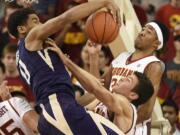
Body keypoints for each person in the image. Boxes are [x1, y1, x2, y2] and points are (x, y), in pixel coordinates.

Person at [7, 1, 123, 134]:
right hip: (60, 110)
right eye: (36, 21)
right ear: (22, 29)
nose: (42, 25)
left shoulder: (28, 56)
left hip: (52, 116)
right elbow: (65, 18)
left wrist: (93, 56)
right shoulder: (31, 39)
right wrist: (104, 2)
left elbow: (91, 91)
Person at [46, 40, 154, 134]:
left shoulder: (126, 105)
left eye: (128, 80)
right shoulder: (105, 100)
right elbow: (86, 98)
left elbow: (95, 88)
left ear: (133, 95)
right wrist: (93, 55)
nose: (122, 78)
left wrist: (66, 61)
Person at [87, 21, 170, 135]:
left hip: (130, 128)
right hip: (107, 121)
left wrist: (120, 126)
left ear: (156, 43)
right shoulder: (122, 57)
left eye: (149, 32)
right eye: (143, 29)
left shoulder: (154, 65)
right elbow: (97, 88)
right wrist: (94, 56)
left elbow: (146, 110)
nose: (142, 33)